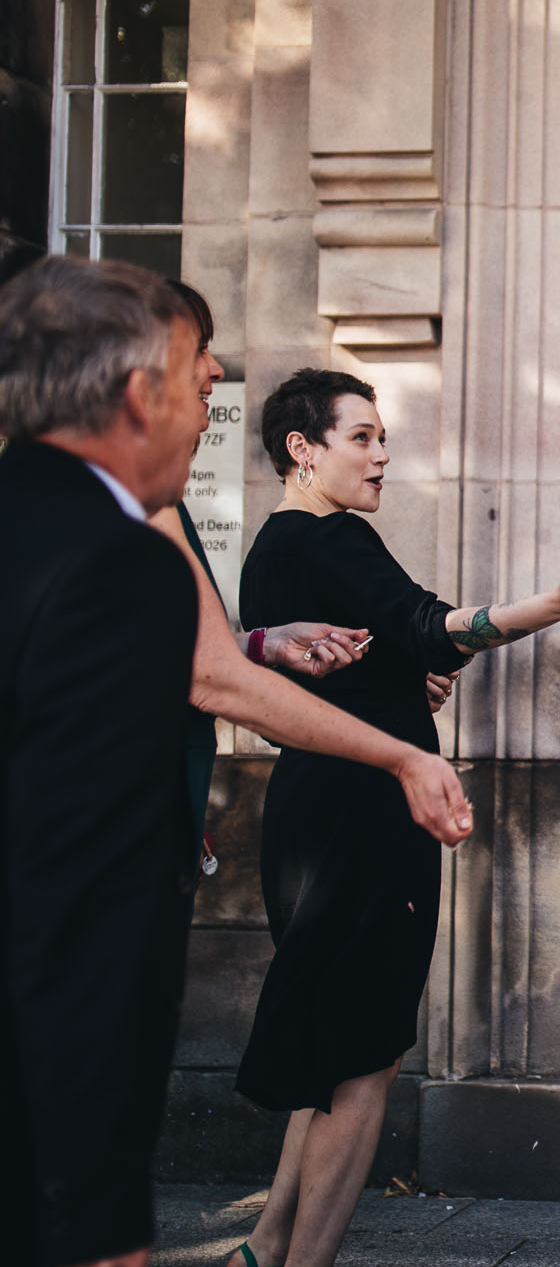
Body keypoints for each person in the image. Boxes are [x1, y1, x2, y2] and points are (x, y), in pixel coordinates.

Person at [214, 369, 560, 1267]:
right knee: (367, 1051)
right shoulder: (335, 535)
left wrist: (410, 678)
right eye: (362, 436)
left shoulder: (271, 549)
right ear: (303, 447)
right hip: (367, 816)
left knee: (329, 1043)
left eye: (382, 436)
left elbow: (376, 658)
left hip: (310, 809)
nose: (382, 452)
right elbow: (437, 626)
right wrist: (554, 606)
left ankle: (261, 1249)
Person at [0, 255, 210, 1267]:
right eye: (195, 382)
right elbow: (82, 896)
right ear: (139, 394)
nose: (201, 411)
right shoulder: (120, 571)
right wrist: (97, 1203)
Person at [153, 281, 472, 851]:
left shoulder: (247, 539)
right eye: (199, 347)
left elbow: (191, 658)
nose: (217, 368)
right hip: (350, 812)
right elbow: (212, 676)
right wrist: (403, 758)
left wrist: (261, 645)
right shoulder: (319, 535)